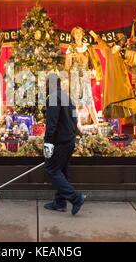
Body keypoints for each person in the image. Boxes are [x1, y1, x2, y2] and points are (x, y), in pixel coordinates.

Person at [43, 73, 86, 215]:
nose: (45, 87)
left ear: (51, 85)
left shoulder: (54, 98)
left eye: (46, 84)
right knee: (62, 171)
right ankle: (60, 203)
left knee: (52, 170)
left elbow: (52, 123)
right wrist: (76, 135)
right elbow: (74, 120)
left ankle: (75, 198)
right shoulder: (69, 98)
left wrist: (48, 142)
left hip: (60, 141)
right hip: (69, 140)